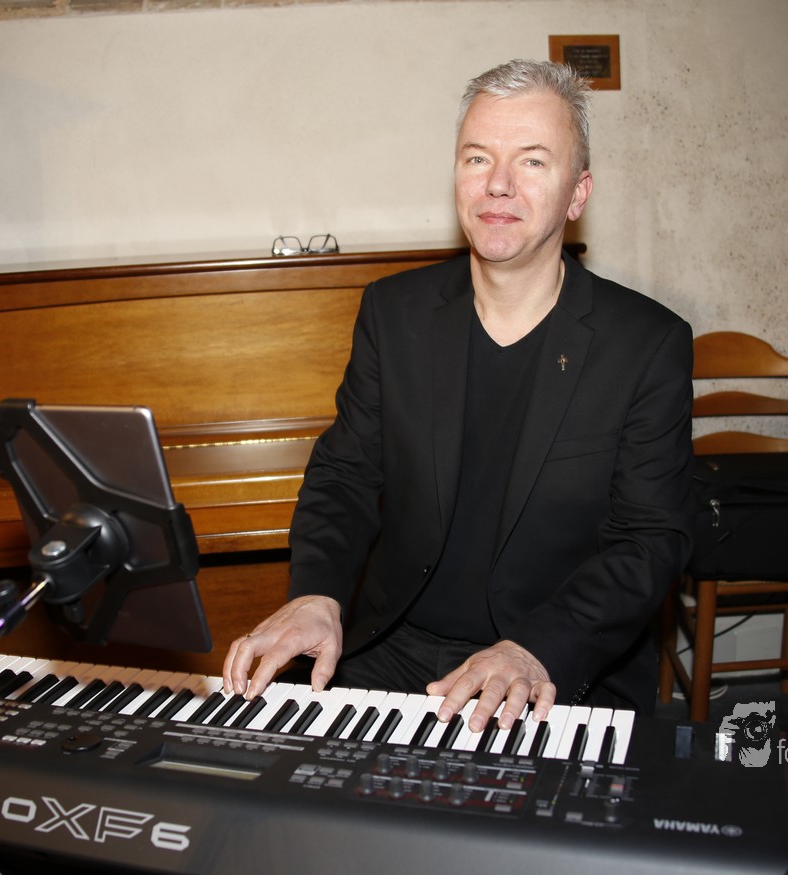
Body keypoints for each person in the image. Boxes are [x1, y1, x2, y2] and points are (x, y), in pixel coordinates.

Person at [222, 59, 694, 734]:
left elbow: (650, 540)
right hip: (393, 648)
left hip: (554, 659)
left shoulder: (646, 343)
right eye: (477, 158)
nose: (497, 183)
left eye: (532, 161)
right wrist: (317, 594)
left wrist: (534, 647)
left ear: (577, 193)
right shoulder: (393, 312)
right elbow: (345, 474)